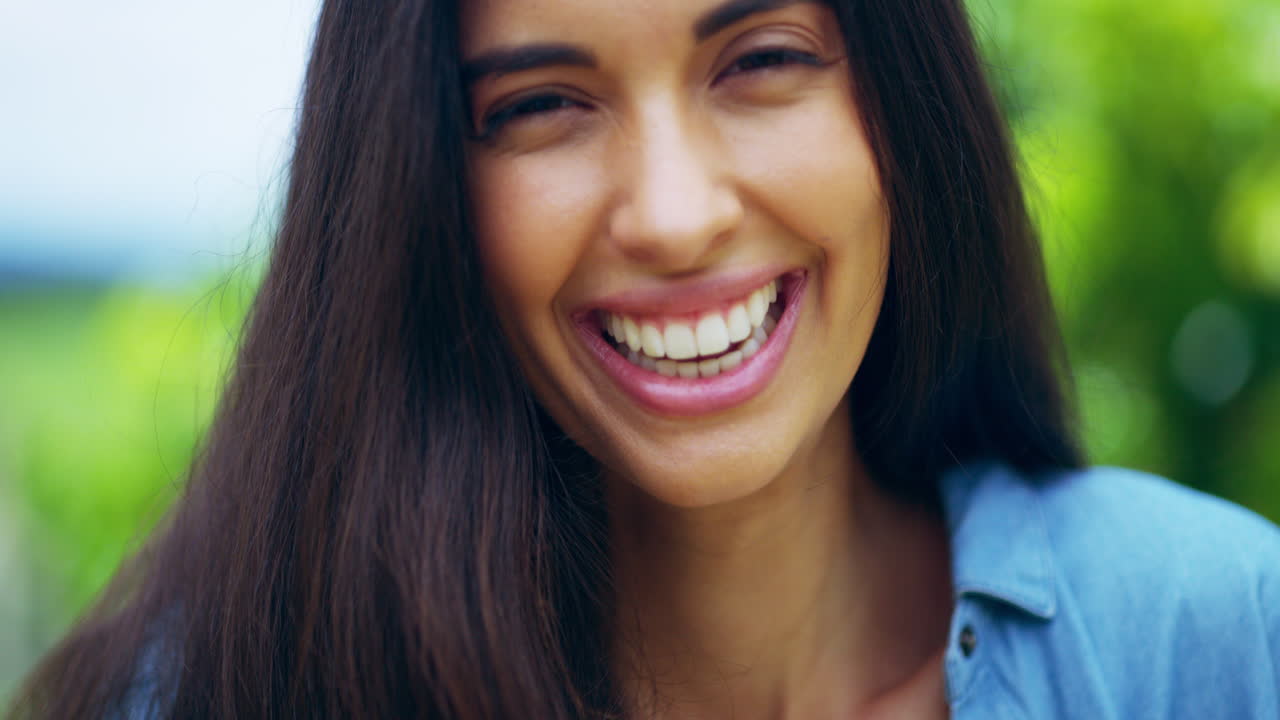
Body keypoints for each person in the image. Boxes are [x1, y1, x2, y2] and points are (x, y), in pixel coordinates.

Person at [10, 0, 1280, 717]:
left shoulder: (1211, 639)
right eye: (541, 106)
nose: (672, 216)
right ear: (422, 192)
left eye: (761, 61)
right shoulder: (224, 694)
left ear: (903, 108)